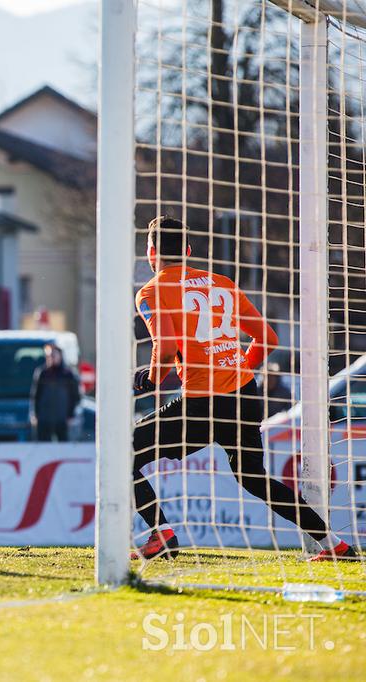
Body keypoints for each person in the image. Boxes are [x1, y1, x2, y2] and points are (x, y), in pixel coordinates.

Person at [131, 216, 356, 561]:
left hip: (203, 401)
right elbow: (268, 338)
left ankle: (160, 534)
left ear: (151, 252)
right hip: (245, 395)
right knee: (254, 479)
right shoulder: (222, 283)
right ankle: (334, 545)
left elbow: (165, 346)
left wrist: (150, 380)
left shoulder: (152, 290)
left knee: (125, 453)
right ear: (188, 250)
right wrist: (236, 368)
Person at [30, 344, 80, 442]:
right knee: (44, 446)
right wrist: (35, 414)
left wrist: (70, 415)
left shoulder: (68, 374)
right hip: (44, 419)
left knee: (64, 446)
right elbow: (36, 396)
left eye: (53, 355)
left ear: (60, 356)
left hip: (62, 419)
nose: (51, 358)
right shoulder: (42, 373)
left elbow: (75, 396)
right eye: (48, 356)